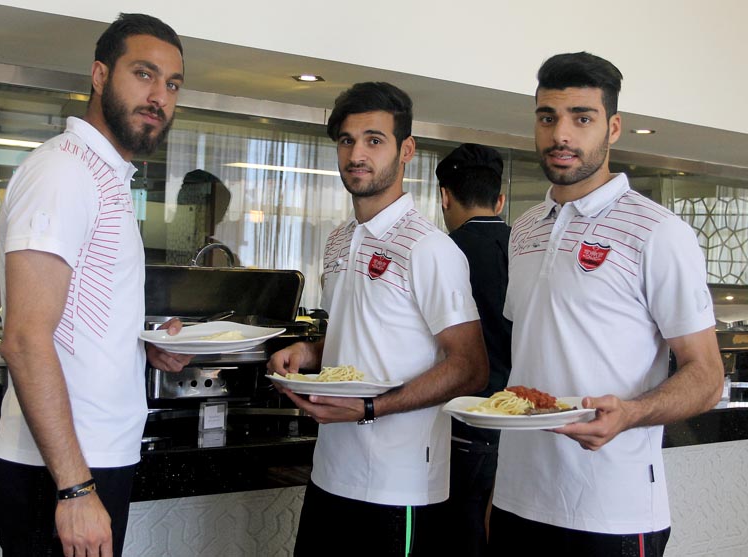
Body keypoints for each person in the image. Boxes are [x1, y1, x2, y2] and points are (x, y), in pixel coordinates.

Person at [489, 51, 723, 556]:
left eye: (582, 118)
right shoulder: (523, 230)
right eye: (547, 118)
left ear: (613, 128)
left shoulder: (660, 232)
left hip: (612, 511)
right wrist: (497, 492)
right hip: (516, 499)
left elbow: (707, 376)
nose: (560, 135)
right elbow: (530, 357)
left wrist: (631, 413)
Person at [0, 13, 192, 557]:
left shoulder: (108, 177)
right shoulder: (62, 171)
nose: (159, 97)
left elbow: (79, 318)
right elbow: (24, 339)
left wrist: (144, 343)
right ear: (100, 75)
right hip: (59, 469)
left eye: (172, 84)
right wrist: (75, 487)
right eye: (143, 74)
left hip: (91, 458)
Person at [267, 82, 488, 556]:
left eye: (374, 140)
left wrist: (370, 408)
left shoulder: (430, 248)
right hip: (330, 472)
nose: (356, 154)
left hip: (398, 486)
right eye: (347, 141)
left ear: (406, 150)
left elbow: (470, 366)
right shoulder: (339, 239)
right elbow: (361, 334)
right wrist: (309, 351)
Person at [435, 143, 512, 555]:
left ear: (444, 196)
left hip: (463, 427)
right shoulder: (528, 249)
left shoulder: (443, 253)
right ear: (500, 200)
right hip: (523, 428)